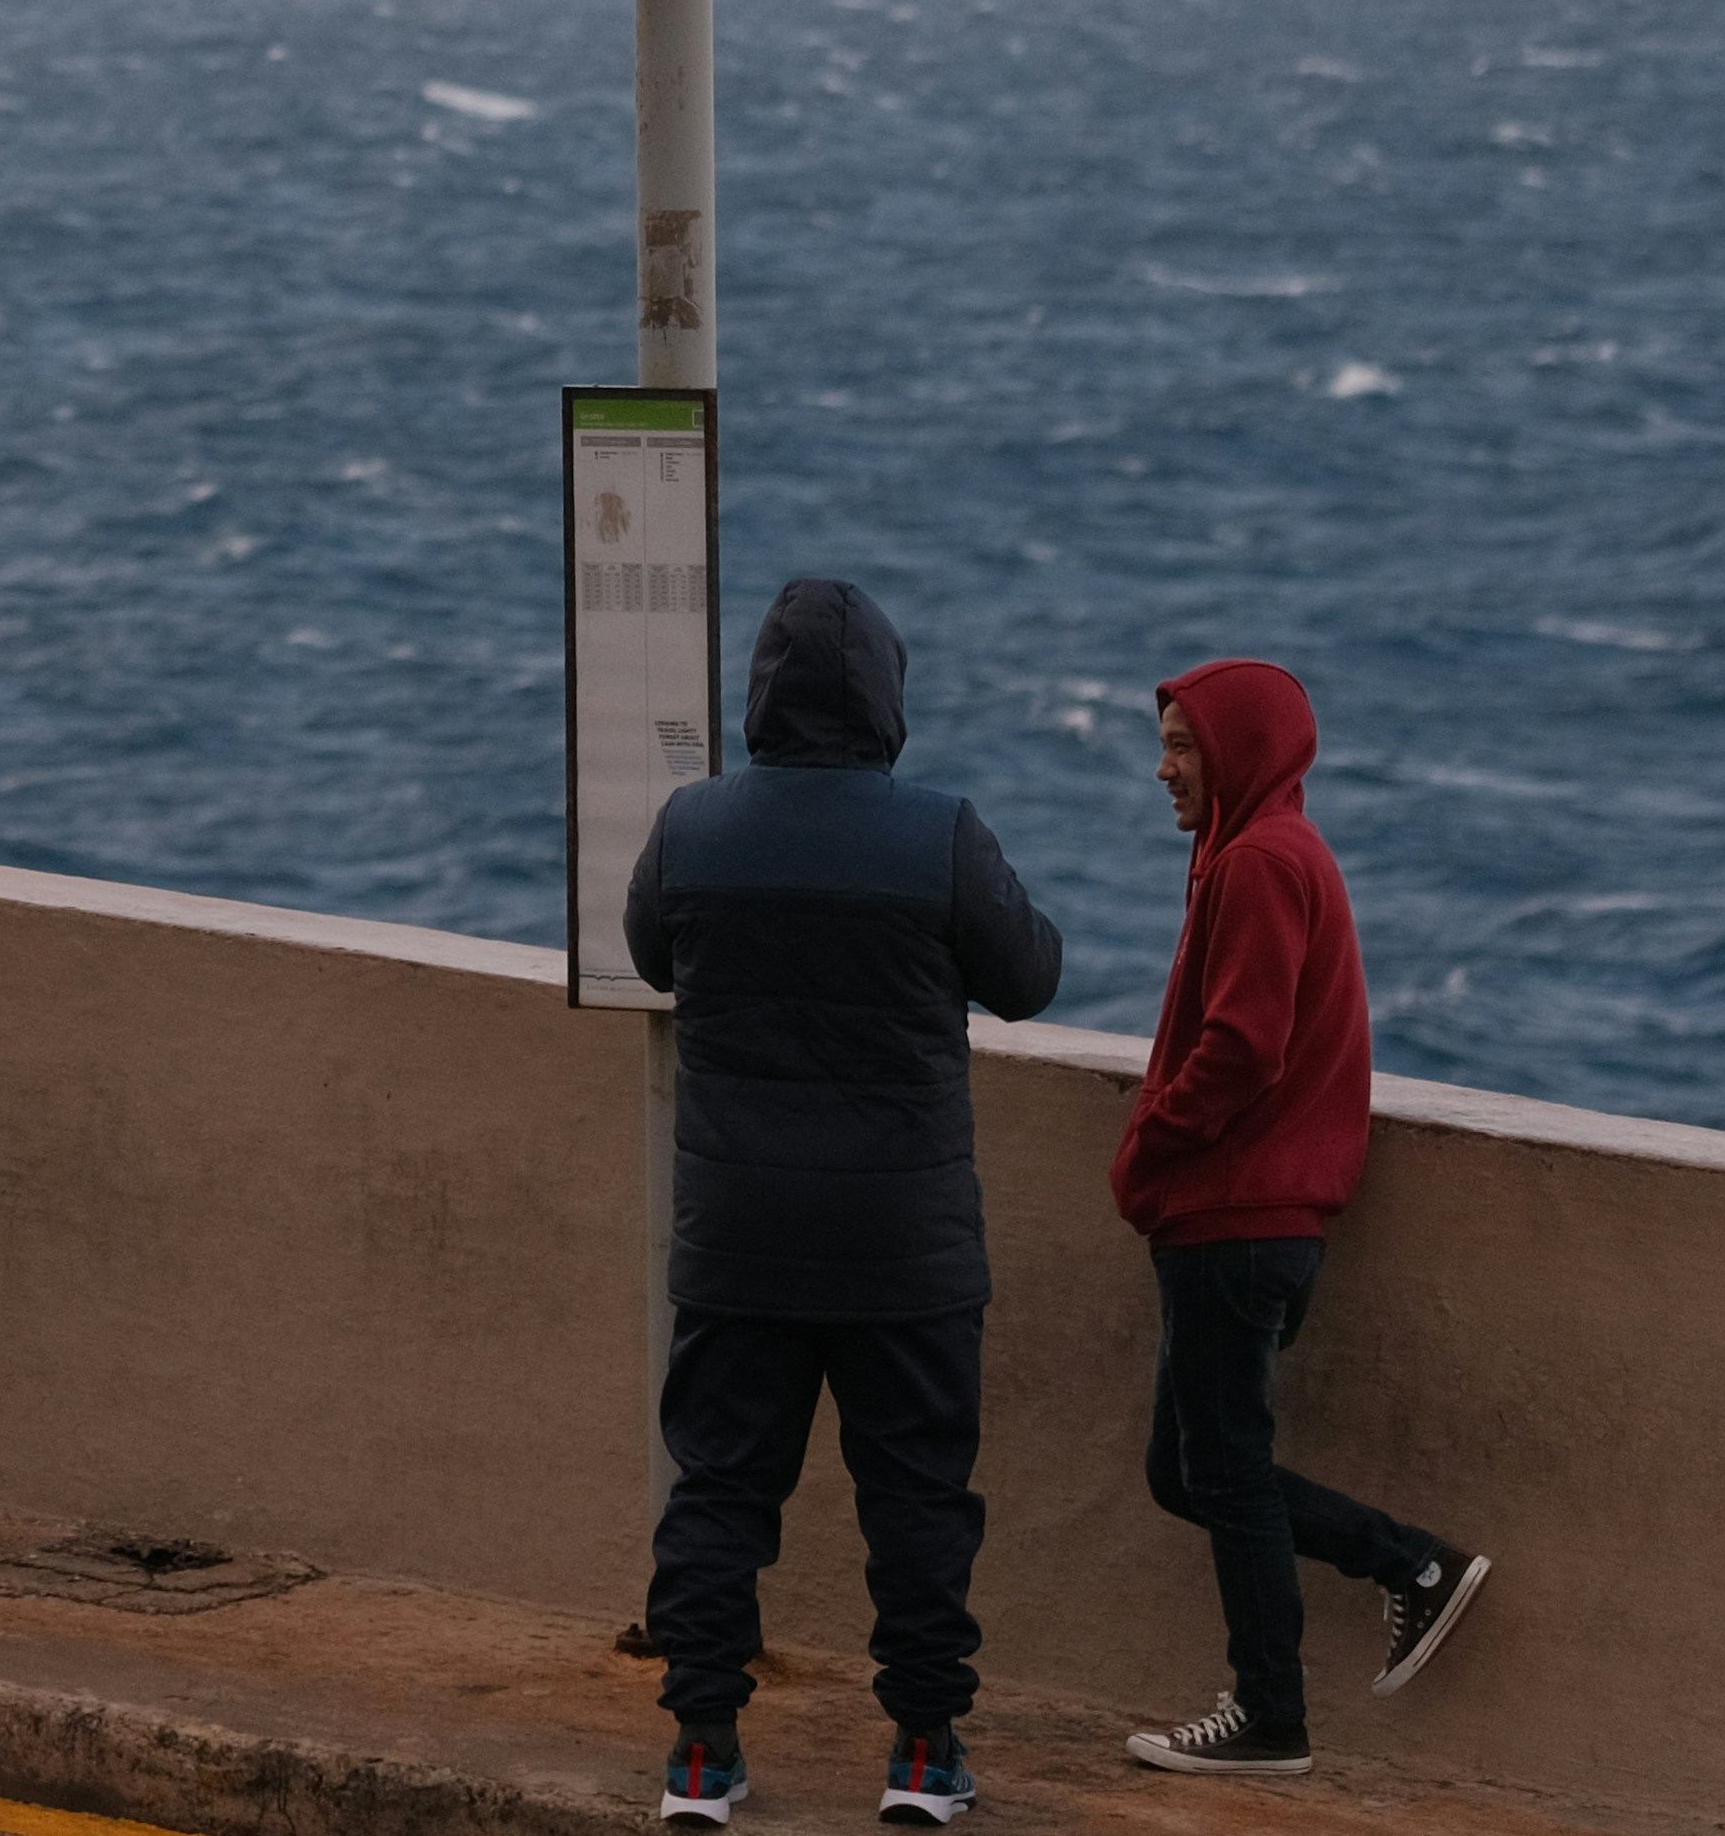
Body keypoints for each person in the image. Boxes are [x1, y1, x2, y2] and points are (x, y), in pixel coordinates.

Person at [624, 577, 1062, 1831]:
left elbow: (653, 952)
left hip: (740, 1236)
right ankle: (925, 1750)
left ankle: (704, 1753)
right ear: (886, 695)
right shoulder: (939, 832)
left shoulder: (694, 826)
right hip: (903, 1244)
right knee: (919, 1495)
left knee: (717, 1489)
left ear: (761, 694)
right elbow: (1029, 975)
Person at [1112, 658, 1497, 1777]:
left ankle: (1274, 1712)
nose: (1165, 765)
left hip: (1236, 1220)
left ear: (1237, 751)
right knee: (1186, 1469)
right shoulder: (1257, 853)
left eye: (1185, 744)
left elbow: (1242, 1045)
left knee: (1221, 1466)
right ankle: (1407, 1566)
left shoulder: (1264, 862)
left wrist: (1148, 1144)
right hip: (1239, 1220)